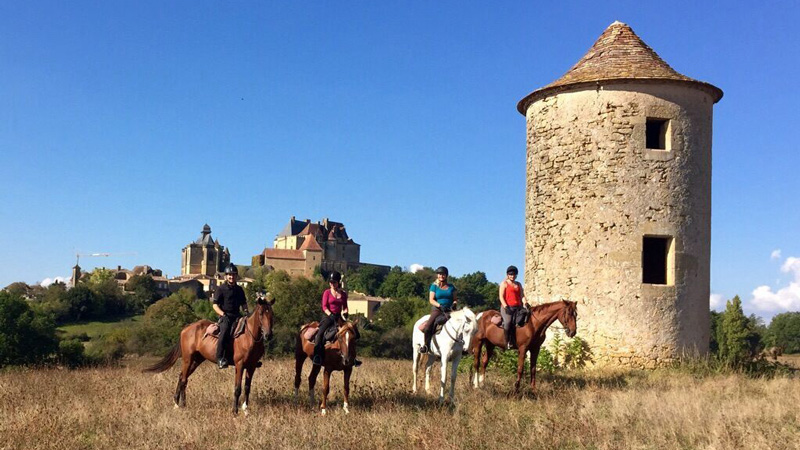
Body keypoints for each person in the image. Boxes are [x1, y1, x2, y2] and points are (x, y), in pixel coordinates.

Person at [212, 263, 249, 369]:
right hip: (225, 316)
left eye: (233, 275)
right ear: (226, 276)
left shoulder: (239, 290)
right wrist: (222, 314)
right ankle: (219, 358)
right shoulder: (221, 289)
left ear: (236, 276)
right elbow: (215, 305)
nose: (231, 277)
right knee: (224, 332)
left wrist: (246, 312)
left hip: (237, 316)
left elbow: (243, 304)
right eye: (229, 275)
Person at [313, 271, 349, 366]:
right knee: (320, 334)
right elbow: (324, 306)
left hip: (339, 317)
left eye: (334, 282)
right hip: (328, 316)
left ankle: (352, 357)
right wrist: (330, 314)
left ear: (338, 282)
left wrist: (345, 312)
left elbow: (345, 306)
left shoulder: (343, 294)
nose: (332, 284)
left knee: (352, 333)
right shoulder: (327, 292)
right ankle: (317, 356)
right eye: (331, 282)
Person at [419, 266, 458, 354]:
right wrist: (439, 305)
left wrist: (454, 304)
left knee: (461, 324)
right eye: (440, 274)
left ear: (446, 275)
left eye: (443, 274)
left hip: (450, 309)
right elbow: (431, 300)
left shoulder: (452, 287)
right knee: (428, 326)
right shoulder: (434, 286)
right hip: (438, 309)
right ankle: (426, 346)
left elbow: (455, 299)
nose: (441, 276)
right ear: (437, 275)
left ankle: (462, 347)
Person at [499, 265, 528, 349]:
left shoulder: (518, 284)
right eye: (511, 274)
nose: (513, 276)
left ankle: (520, 340)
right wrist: (506, 306)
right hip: (507, 307)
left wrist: (526, 303)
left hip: (518, 307)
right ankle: (507, 341)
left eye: (514, 274)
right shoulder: (504, 284)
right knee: (508, 322)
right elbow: (501, 296)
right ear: (508, 275)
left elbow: (522, 295)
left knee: (525, 320)